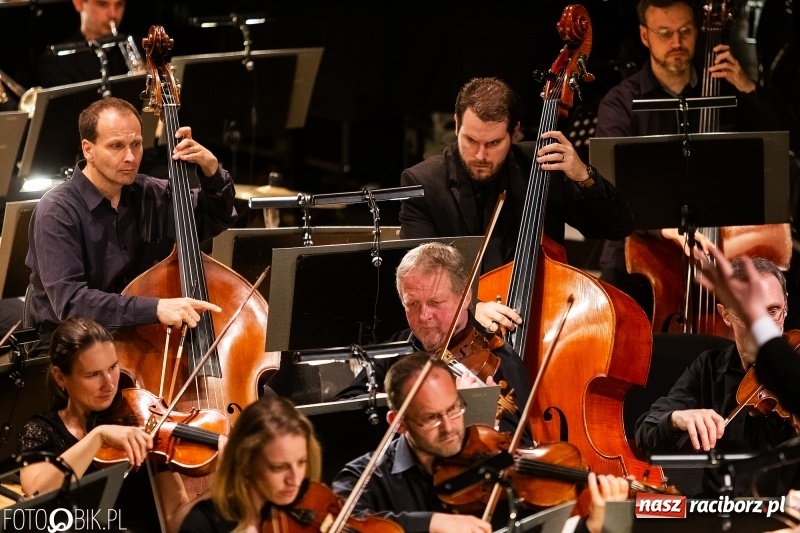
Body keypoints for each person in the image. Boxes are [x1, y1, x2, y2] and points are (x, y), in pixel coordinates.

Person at [398, 77, 635, 331]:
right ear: (456, 125)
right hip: (461, 333)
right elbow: (420, 277)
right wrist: (471, 306)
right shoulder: (423, 183)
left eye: (493, 143)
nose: (480, 155)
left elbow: (617, 227)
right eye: (470, 140)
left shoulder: (543, 166)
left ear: (515, 132)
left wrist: (583, 176)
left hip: (543, 324)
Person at [595, 0, 785, 315]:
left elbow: (779, 143)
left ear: (697, 31)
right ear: (645, 36)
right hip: (643, 255)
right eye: (665, 33)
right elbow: (610, 191)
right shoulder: (620, 103)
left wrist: (747, 87)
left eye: (685, 31)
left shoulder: (727, 88)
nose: (677, 43)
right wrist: (663, 229)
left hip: (727, 252)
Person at [332, 352, 630, 533]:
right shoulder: (367, 476)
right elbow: (341, 523)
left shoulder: (492, 463)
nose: (450, 428)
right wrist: (432, 523)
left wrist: (595, 527)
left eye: (453, 409)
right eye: (432, 418)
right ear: (397, 422)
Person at [25, 96, 235, 338]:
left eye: (136, 144)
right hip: (74, 348)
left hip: (142, 338)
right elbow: (72, 303)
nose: (130, 157)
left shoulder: (152, 194)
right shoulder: (57, 211)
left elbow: (217, 217)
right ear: (88, 150)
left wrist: (210, 169)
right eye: (116, 146)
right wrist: (155, 308)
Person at [635, 255, 795, 495]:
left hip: (784, 514)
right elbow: (645, 431)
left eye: (773, 310)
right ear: (726, 315)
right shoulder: (708, 367)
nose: (765, 325)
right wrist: (678, 418)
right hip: (718, 511)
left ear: (786, 307)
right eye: (748, 314)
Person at [334, 241, 531, 435]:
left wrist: (469, 416)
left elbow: (518, 445)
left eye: (435, 302)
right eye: (412, 304)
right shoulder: (399, 347)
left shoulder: (500, 360)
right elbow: (342, 411)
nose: (423, 316)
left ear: (466, 297)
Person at [17, 316, 189, 532]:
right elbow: (38, 496)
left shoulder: (140, 420)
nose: (109, 384)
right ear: (60, 377)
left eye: (113, 367)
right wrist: (98, 437)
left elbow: (175, 518)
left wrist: (223, 489)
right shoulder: (41, 431)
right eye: (94, 374)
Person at [179, 395, 325, 533]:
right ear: (246, 464)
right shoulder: (203, 525)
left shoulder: (307, 516)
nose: (295, 480)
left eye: (301, 462)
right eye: (279, 467)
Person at [37, 0, 137, 88]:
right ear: (78, 3)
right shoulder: (56, 62)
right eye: (102, 4)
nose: (113, 14)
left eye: (119, 4)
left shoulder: (137, 47)